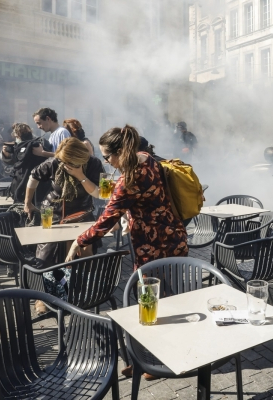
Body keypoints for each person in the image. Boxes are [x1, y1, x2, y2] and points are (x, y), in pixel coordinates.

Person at [68, 125, 188, 379]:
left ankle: (156, 361)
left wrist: (79, 241)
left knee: (150, 301)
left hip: (153, 247)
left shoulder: (130, 178)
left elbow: (108, 218)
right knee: (164, 299)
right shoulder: (148, 160)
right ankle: (156, 356)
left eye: (108, 157)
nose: (107, 162)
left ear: (121, 151)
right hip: (173, 239)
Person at [24, 137, 105, 303]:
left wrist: (80, 175)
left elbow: (100, 194)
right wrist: (28, 203)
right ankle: (44, 298)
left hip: (81, 214)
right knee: (45, 256)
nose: (62, 162)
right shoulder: (54, 162)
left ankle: (81, 292)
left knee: (85, 254)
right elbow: (34, 176)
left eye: (66, 160)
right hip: (53, 213)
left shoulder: (94, 164)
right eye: (60, 159)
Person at [1, 123, 53, 203]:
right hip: (37, 186)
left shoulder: (34, 145)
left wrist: (8, 154)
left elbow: (17, 162)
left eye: (16, 136)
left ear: (18, 135)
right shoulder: (39, 144)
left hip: (28, 185)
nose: (15, 139)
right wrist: (6, 154)